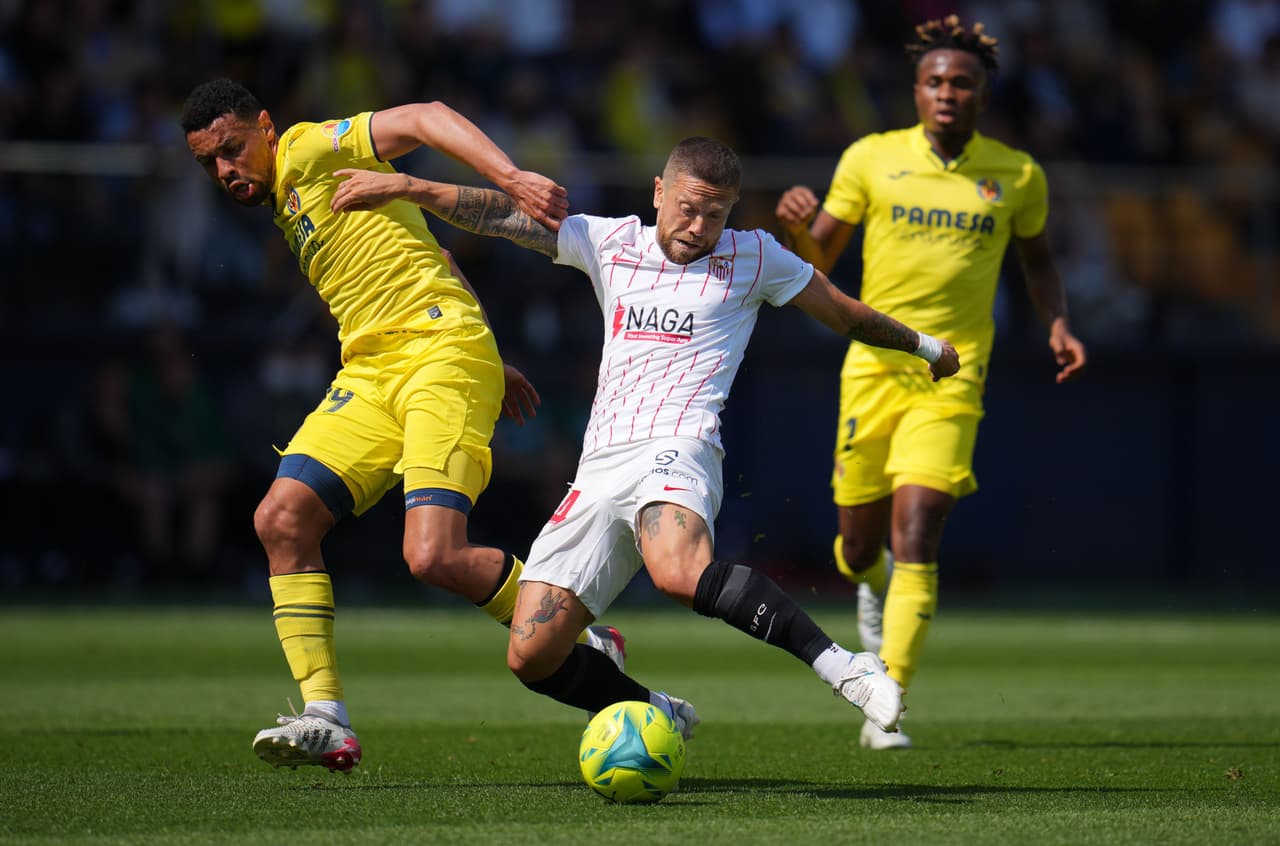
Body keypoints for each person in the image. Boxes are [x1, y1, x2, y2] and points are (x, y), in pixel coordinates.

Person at [326, 136, 960, 742]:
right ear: (659, 192)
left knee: (678, 571)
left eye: (714, 214)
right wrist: (408, 185)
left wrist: (926, 347)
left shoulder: (756, 256)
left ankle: (844, 667)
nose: (697, 226)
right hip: (600, 467)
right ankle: (654, 710)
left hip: (679, 447)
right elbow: (501, 216)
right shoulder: (611, 242)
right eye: (687, 207)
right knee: (532, 655)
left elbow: (843, 310)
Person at [179, 77, 625, 773]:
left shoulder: (305, 148)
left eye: (232, 149)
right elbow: (435, 258)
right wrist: (496, 356)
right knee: (282, 519)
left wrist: (510, 177)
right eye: (210, 163)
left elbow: (424, 115)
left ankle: (581, 634)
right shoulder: (288, 202)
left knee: (432, 556)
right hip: (373, 370)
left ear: (265, 127)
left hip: (437, 352)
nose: (226, 170)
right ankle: (326, 717)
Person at [774, 15, 1088, 749]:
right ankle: (868, 580)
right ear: (916, 92)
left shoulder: (1016, 174)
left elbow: (1038, 262)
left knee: (919, 531)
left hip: (954, 373)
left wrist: (1058, 322)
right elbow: (816, 259)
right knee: (856, 546)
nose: (948, 93)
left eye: (962, 83)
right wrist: (794, 227)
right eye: (935, 81)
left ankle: (888, 700)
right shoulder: (870, 159)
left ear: (983, 95)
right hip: (873, 368)